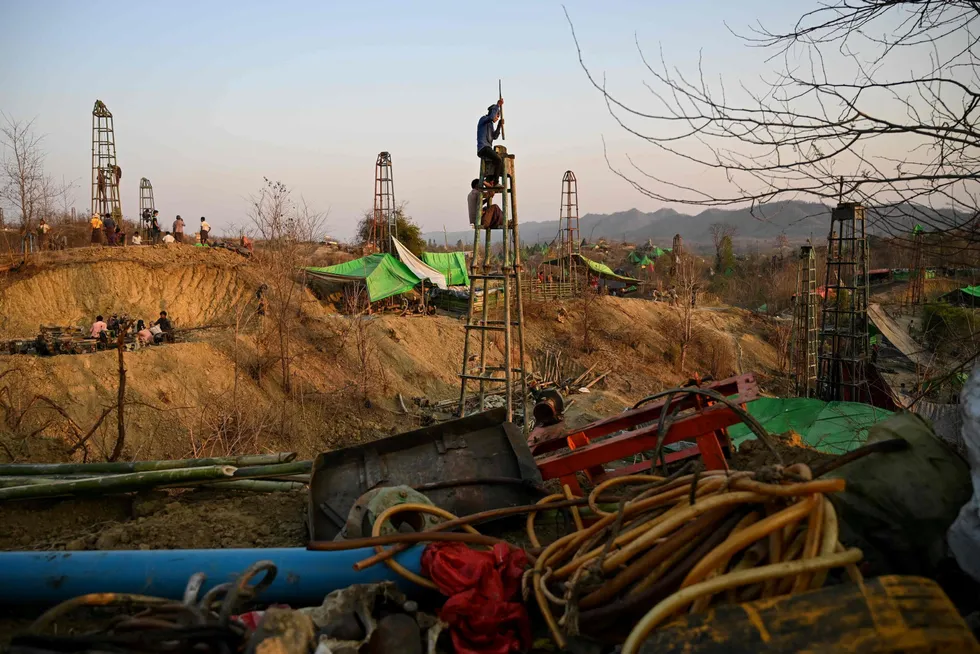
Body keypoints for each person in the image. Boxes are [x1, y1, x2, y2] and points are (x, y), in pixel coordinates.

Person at [476, 98, 504, 186]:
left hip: (487, 148)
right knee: (498, 160)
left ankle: (489, 180)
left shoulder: (491, 125)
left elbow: (494, 136)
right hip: (483, 148)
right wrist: (498, 105)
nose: (497, 117)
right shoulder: (483, 119)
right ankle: (495, 182)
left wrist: (499, 125)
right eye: (497, 115)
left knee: (498, 162)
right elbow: (491, 117)